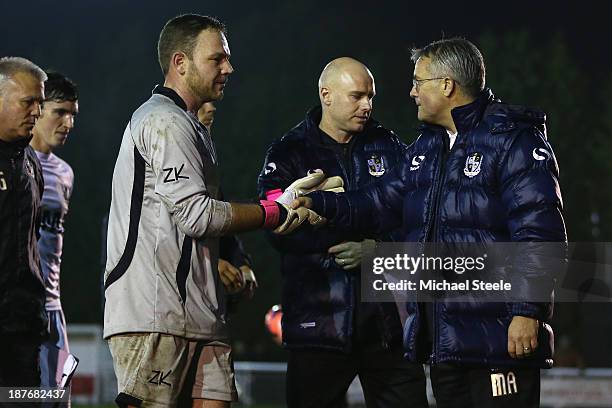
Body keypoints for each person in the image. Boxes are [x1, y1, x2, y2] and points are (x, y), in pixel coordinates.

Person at [297, 38, 566, 407]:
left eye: (418, 82)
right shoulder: (428, 147)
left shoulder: (513, 140)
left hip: (499, 340)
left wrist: (526, 311)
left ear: (447, 85)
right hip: (446, 343)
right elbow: (378, 201)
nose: (411, 92)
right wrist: (316, 202)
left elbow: (540, 234)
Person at [103, 14, 329, 408]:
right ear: (180, 63)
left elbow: (207, 216)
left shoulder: (190, 126)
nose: (229, 67)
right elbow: (198, 215)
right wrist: (274, 211)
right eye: (217, 58)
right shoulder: (163, 121)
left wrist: (237, 259)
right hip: (156, 314)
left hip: (201, 313)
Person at [258, 57, 428, 408]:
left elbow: (415, 219)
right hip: (317, 325)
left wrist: (377, 249)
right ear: (326, 95)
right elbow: (275, 227)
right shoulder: (289, 152)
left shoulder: (388, 145)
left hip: (386, 327)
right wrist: (336, 237)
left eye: (371, 97)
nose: (367, 106)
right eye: (357, 96)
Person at [29, 71, 79, 397]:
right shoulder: (10, 163)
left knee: (54, 399)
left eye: (73, 115)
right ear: (37, 109)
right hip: (15, 307)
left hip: (51, 308)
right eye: (60, 112)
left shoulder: (65, 173)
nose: (68, 123)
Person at [0, 57, 47, 388]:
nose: (37, 112)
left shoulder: (32, 163)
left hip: (22, 326)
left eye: (40, 103)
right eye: (28, 102)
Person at [196, 101, 257, 302]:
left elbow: (219, 224)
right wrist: (209, 265)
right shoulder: (155, 164)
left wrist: (241, 263)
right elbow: (159, 242)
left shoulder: (204, 164)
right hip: (164, 314)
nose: (212, 108)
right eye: (202, 103)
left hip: (201, 312)